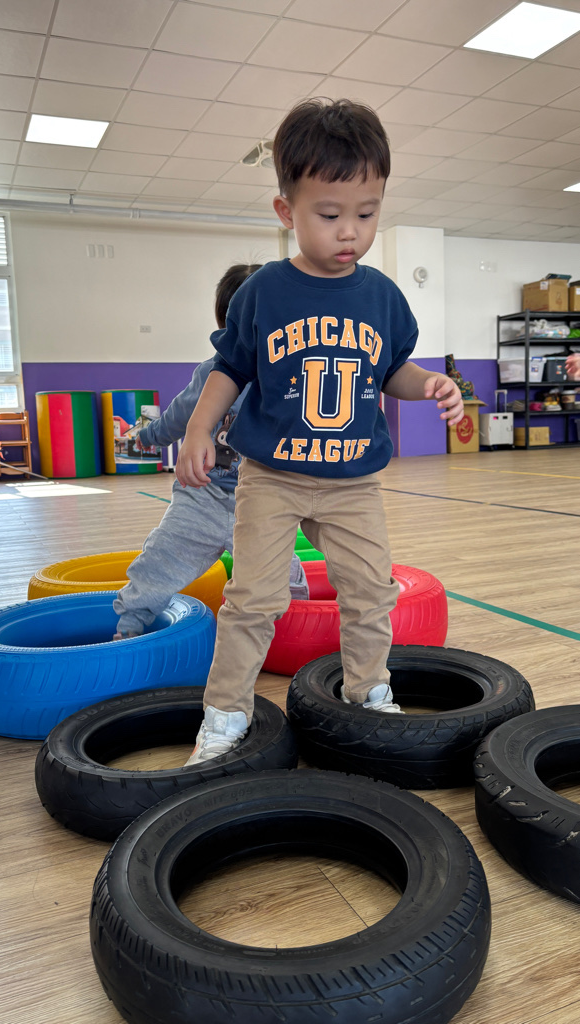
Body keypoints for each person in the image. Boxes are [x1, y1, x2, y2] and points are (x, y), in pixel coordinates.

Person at [177, 98, 464, 765]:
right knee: (253, 599)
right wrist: (197, 429)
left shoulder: (382, 296)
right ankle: (224, 714)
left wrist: (430, 383)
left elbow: (392, 370)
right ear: (287, 210)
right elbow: (229, 368)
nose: (350, 233)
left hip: (353, 483)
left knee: (369, 593)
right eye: (329, 215)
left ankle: (369, 692)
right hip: (271, 477)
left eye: (367, 214)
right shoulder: (263, 292)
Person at [112, 263, 309, 641]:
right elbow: (176, 418)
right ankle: (130, 626)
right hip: (202, 497)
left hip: (263, 502)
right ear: (227, 329)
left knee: (280, 573)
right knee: (160, 561)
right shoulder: (211, 375)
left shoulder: (295, 380)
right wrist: (146, 438)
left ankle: (295, 624)